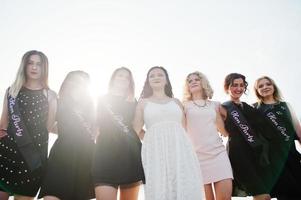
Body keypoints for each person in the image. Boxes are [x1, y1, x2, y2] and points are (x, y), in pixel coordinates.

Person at [133, 66, 203, 200]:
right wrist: (150, 138)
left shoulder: (176, 102)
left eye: (160, 75)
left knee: (185, 184)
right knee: (160, 186)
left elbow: (183, 129)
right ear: (148, 82)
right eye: (152, 76)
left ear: (166, 80)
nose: (156, 77)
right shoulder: (143, 103)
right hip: (155, 152)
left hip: (180, 151)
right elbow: (135, 130)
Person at [0, 50, 57, 200]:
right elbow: (3, 124)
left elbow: (49, 127)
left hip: (33, 160)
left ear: (44, 68)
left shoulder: (50, 95)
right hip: (6, 155)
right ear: (24, 66)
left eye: (39, 64)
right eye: (30, 63)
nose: (34, 67)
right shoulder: (12, 91)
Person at [38, 71, 95, 200]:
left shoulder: (92, 105)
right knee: (51, 195)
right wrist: (65, 130)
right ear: (67, 82)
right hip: (61, 155)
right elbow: (47, 125)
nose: (78, 83)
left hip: (86, 156)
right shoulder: (58, 101)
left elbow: (95, 131)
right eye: (74, 80)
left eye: (82, 81)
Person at [92, 67, 145, 200]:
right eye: (119, 75)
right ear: (113, 79)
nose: (123, 79)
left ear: (130, 82)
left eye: (127, 77)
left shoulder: (134, 102)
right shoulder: (102, 99)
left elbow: (137, 128)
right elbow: (95, 126)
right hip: (105, 156)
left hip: (130, 156)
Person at [219, 73, 273, 200]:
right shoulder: (223, 108)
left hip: (256, 155)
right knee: (263, 195)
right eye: (234, 85)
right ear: (227, 87)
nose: (238, 88)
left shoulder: (250, 107)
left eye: (242, 85)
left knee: (261, 195)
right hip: (238, 155)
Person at [183, 71, 233, 200]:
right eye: (190, 81)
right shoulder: (184, 106)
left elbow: (225, 132)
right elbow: (181, 132)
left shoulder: (215, 105)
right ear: (187, 86)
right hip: (196, 158)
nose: (193, 82)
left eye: (196, 79)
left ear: (203, 82)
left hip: (218, 155)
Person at [254, 76, 301, 200]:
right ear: (257, 91)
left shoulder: (286, 106)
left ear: (273, 86)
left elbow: (298, 130)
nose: (265, 87)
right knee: (285, 194)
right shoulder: (254, 108)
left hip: (292, 156)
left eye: (268, 84)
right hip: (272, 160)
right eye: (261, 86)